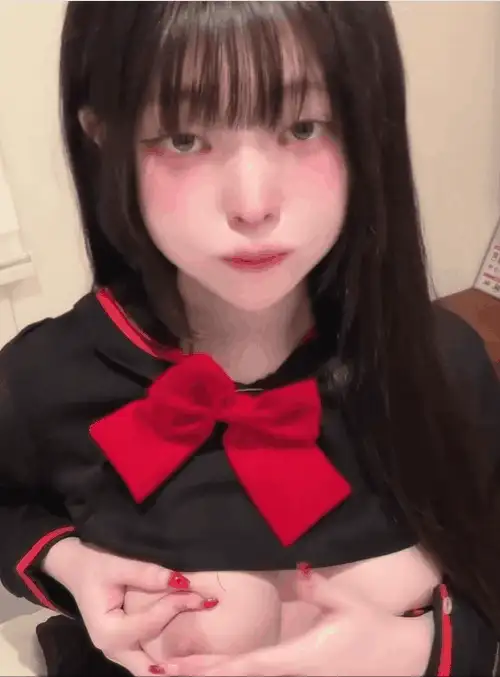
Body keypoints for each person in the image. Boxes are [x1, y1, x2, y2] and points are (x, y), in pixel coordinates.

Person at [0, 1, 499, 675]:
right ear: (104, 138)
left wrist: (422, 649)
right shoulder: (47, 376)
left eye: (303, 126)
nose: (253, 204)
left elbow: (486, 557)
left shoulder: (442, 368)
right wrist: (68, 563)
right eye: (183, 138)